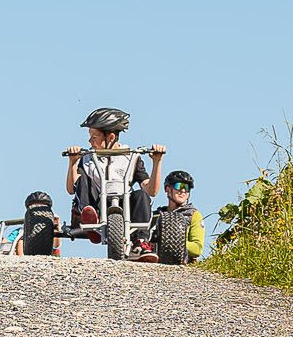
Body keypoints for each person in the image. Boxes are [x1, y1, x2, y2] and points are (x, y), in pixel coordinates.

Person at [64, 107, 163, 251]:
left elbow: (151, 190)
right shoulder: (87, 158)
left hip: (125, 205)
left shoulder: (131, 157)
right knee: (83, 181)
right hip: (96, 204)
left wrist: (157, 162)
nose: (89, 140)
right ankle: (90, 218)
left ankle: (141, 240)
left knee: (142, 195)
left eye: (94, 136)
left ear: (110, 137)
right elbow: (71, 189)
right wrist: (72, 163)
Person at [151, 169, 205, 263]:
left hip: (182, 263)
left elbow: (197, 248)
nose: (183, 190)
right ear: (168, 189)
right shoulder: (156, 215)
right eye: (179, 186)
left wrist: (172, 242)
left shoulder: (193, 215)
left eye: (187, 187)